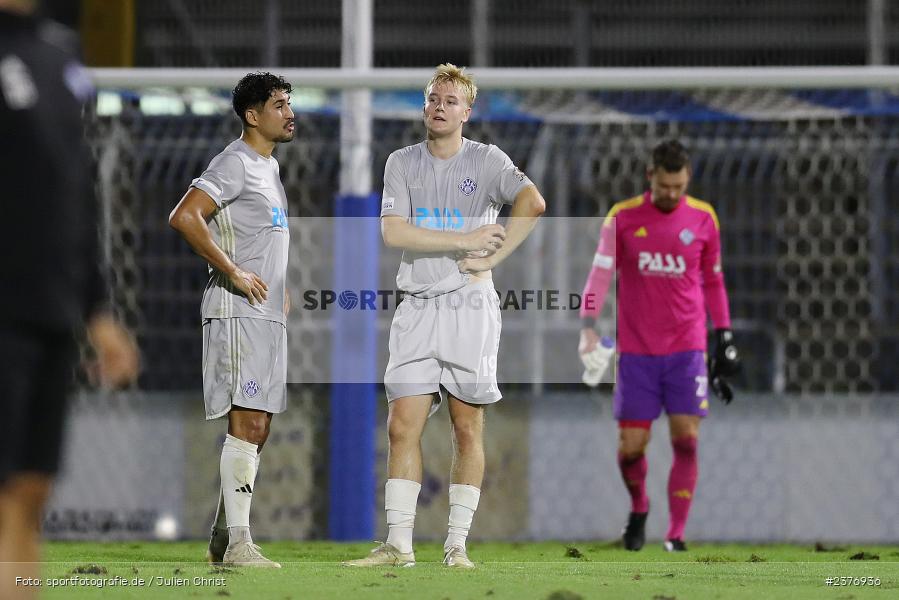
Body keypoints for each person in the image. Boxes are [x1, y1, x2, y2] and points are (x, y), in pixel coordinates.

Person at [344, 63, 545, 570]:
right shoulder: (401, 162)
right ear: (425, 105)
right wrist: (465, 239)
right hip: (416, 306)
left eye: (451, 101)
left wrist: (495, 258)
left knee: (466, 426)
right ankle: (399, 545)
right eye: (434, 98)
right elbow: (394, 232)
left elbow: (533, 202)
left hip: (468, 306)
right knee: (401, 425)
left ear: (466, 112)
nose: (440, 107)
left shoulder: (487, 160)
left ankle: (456, 545)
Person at [0, 1, 139, 598]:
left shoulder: (60, 55)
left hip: (51, 307)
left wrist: (98, 310)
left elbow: (75, 189)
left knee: (32, 487)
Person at [578, 140, 740, 552]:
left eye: (679, 187)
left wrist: (724, 334)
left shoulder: (704, 218)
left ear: (688, 180)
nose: (671, 193)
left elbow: (714, 280)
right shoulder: (624, 217)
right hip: (636, 352)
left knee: (687, 439)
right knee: (631, 449)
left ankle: (676, 534)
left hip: (687, 349)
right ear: (650, 176)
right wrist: (588, 323)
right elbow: (600, 273)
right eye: (665, 186)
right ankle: (639, 506)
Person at [169, 71, 294, 568]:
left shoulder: (269, 167)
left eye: (289, 103)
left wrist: (280, 288)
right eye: (279, 105)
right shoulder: (235, 161)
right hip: (236, 309)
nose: (290, 113)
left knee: (259, 427)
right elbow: (185, 216)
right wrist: (235, 271)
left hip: (265, 310)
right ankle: (240, 544)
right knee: (247, 421)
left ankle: (223, 538)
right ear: (252, 115)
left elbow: (261, 238)